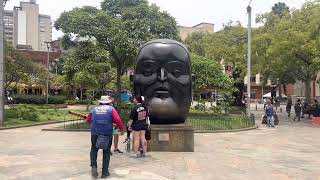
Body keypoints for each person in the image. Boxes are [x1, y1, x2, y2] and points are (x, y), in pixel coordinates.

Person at [86, 95, 124, 178]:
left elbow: (88, 119)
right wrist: (122, 129)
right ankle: (104, 172)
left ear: (100, 102)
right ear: (109, 102)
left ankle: (94, 166)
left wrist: (92, 126)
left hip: (95, 133)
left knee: (94, 149)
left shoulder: (94, 109)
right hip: (106, 133)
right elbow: (117, 119)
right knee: (106, 151)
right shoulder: (111, 109)